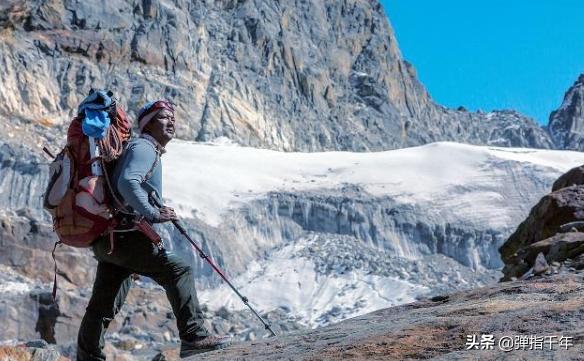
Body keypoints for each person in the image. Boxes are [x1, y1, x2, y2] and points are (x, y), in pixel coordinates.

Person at [77, 100, 231, 360]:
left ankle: (87, 355)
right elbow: (127, 182)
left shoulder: (140, 148)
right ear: (147, 124)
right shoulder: (144, 146)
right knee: (178, 270)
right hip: (126, 236)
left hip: (108, 239)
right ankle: (194, 337)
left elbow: (128, 184)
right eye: (163, 118)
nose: (171, 122)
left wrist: (152, 206)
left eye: (172, 117)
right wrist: (153, 213)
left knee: (102, 304)